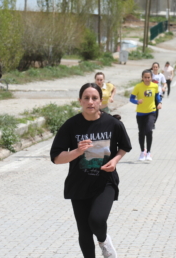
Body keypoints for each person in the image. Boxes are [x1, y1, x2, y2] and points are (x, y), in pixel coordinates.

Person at [50, 83, 132, 258]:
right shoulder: (71, 125)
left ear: (100, 100)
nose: (90, 102)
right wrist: (77, 151)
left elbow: (125, 147)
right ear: (80, 101)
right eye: (86, 98)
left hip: (105, 182)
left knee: (97, 220)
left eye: (94, 98)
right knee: (84, 231)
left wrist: (115, 160)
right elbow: (56, 158)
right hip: (79, 184)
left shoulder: (112, 123)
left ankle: (103, 240)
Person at [130, 69, 162, 161]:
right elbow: (131, 98)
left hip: (151, 112)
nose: (147, 79)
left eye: (148, 77)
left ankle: (148, 152)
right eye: (145, 77)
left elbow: (157, 96)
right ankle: (142, 152)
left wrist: (159, 103)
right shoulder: (138, 86)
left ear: (151, 77)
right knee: (141, 133)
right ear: (142, 78)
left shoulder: (154, 86)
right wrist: (137, 101)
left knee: (148, 130)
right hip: (140, 113)